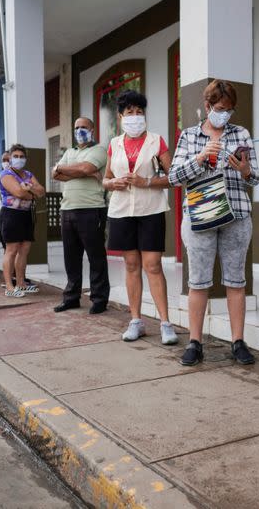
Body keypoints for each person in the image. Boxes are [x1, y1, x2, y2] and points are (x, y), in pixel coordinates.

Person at [169, 79, 259, 366]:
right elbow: (173, 177)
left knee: (236, 281)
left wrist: (245, 170)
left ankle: (238, 342)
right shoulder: (189, 135)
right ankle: (195, 342)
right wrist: (199, 158)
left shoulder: (241, 133)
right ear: (208, 106)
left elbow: (256, 177)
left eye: (230, 109)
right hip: (200, 215)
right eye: (221, 108)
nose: (225, 114)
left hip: (236, 215)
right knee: (198, 282)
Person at [103, 90, 176, 344]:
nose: (135, 116)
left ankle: (166, 323)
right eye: (129, 112)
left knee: (153, 265)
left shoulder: (157, 141)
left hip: (151, 210)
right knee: (131, 265)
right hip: (122, 211)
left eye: (139, 112)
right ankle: (136, 320)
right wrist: (112, 184)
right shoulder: (114, 144)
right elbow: (106, 177)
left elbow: (173, 177)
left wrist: (146, 181)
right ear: (120, 115)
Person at [51, 117, 110, 314]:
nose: (80, 130)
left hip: (91, 209)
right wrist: (81, 171)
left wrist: (67, 169)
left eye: (84, 127)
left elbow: (86, 168)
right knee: (71, 257)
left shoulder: (99, 150)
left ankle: (99, 299)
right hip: (67, 210)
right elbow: (55, 175)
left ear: (92, 129)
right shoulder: (70, 151)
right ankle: (71, 298)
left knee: (96, 257)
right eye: (76, 127)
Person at [0, 144, 45, 297]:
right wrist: (30, 190)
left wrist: (28, 188)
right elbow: (18, 192)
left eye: (21, 156)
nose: (19, 159)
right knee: (11, 250)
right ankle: (9, 286)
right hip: (11, 214)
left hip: (26, 215)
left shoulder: (28, 174)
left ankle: (21, 283)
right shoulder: (6, 175)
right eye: (15, 156)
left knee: (24, 250)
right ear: (10, 158)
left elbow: (41, 191)